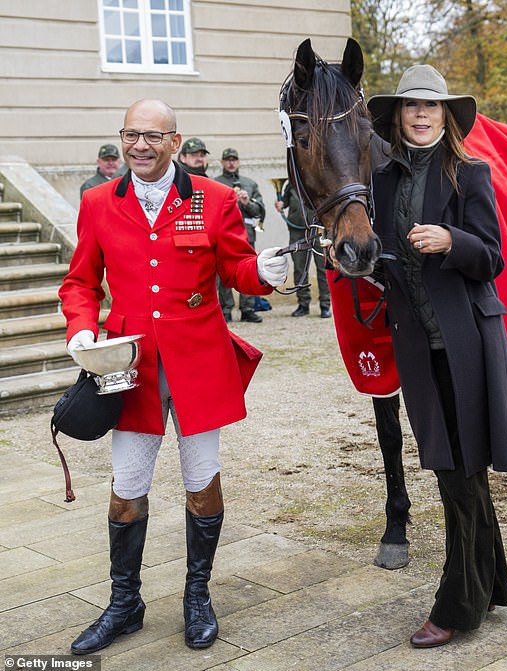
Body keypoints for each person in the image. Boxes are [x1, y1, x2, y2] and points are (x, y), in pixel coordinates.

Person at [59, 99, 288, 655]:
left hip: (198, 357)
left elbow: (236, 267)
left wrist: (262, 271)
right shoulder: (97, 202)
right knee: (126, 487)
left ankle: (197, 596)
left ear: (175, 141)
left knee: (201, 480)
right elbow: (81, 282)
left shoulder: (215, 198)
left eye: (153, 136)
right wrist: (81, 330)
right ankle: (124, 603)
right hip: (130, 364)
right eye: (131, 134)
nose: (140, 145)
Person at [367, 65, 507, 648]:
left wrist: (453, 242)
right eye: (412, 108)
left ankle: (457, 604)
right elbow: (382, 259)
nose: (422, 115)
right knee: (455, 469)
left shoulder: (470, 173)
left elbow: (493, 259)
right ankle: (491, 585)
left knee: (462, 472)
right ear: (398, 117)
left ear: (447, 116)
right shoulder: (381, 181)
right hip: (417, 344)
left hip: (468, 344)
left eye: (432, 107)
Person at [214, 148, 266, 322]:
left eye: (234, 160)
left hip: (247, 234)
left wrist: (246, 203)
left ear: (238, 162)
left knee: (249, 270)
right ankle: (226, 309)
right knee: (223, 274)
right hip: (222, 235)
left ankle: (248, 308)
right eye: (227, 160)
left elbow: (259, 211)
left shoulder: (249, 183)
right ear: (221, 162)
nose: (231, 163)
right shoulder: (216, 183)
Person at [275, 181, 331, 318]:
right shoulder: (292, 184)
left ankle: (325, 304)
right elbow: (286, 201)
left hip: (318, 229)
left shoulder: (319, 181)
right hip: (297, 230)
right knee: (300, 268)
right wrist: (281, 204)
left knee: (323, 267)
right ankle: (303, 303)